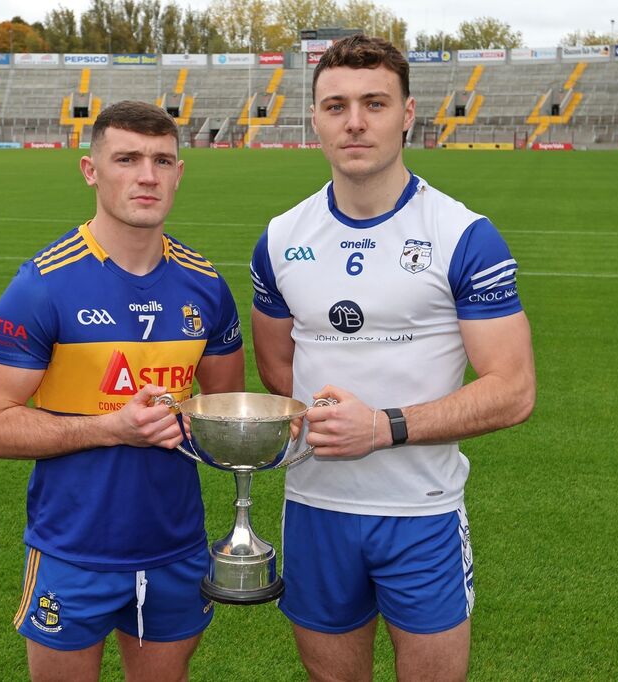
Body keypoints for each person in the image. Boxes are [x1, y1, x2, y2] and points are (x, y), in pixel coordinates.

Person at [250, 36, 536, 681]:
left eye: (374, 103)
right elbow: (278, 370)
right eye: (336, 106)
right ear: (315, 118)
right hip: (315, 507)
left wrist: (383, 427)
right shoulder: (280, 238)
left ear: (407, 114)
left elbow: (513, 389)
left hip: (421, 511)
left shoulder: (463, 235)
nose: (354, 121)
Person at [0, 100, 244, 682]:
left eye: (162, 161)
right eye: (127, 159)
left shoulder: (206, 286)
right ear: (90, 171)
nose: (147, 176)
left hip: (175, 548)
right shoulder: (42, 285)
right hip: (73, 550)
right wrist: (111, 428)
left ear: (178, 173)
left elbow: (225, 414)